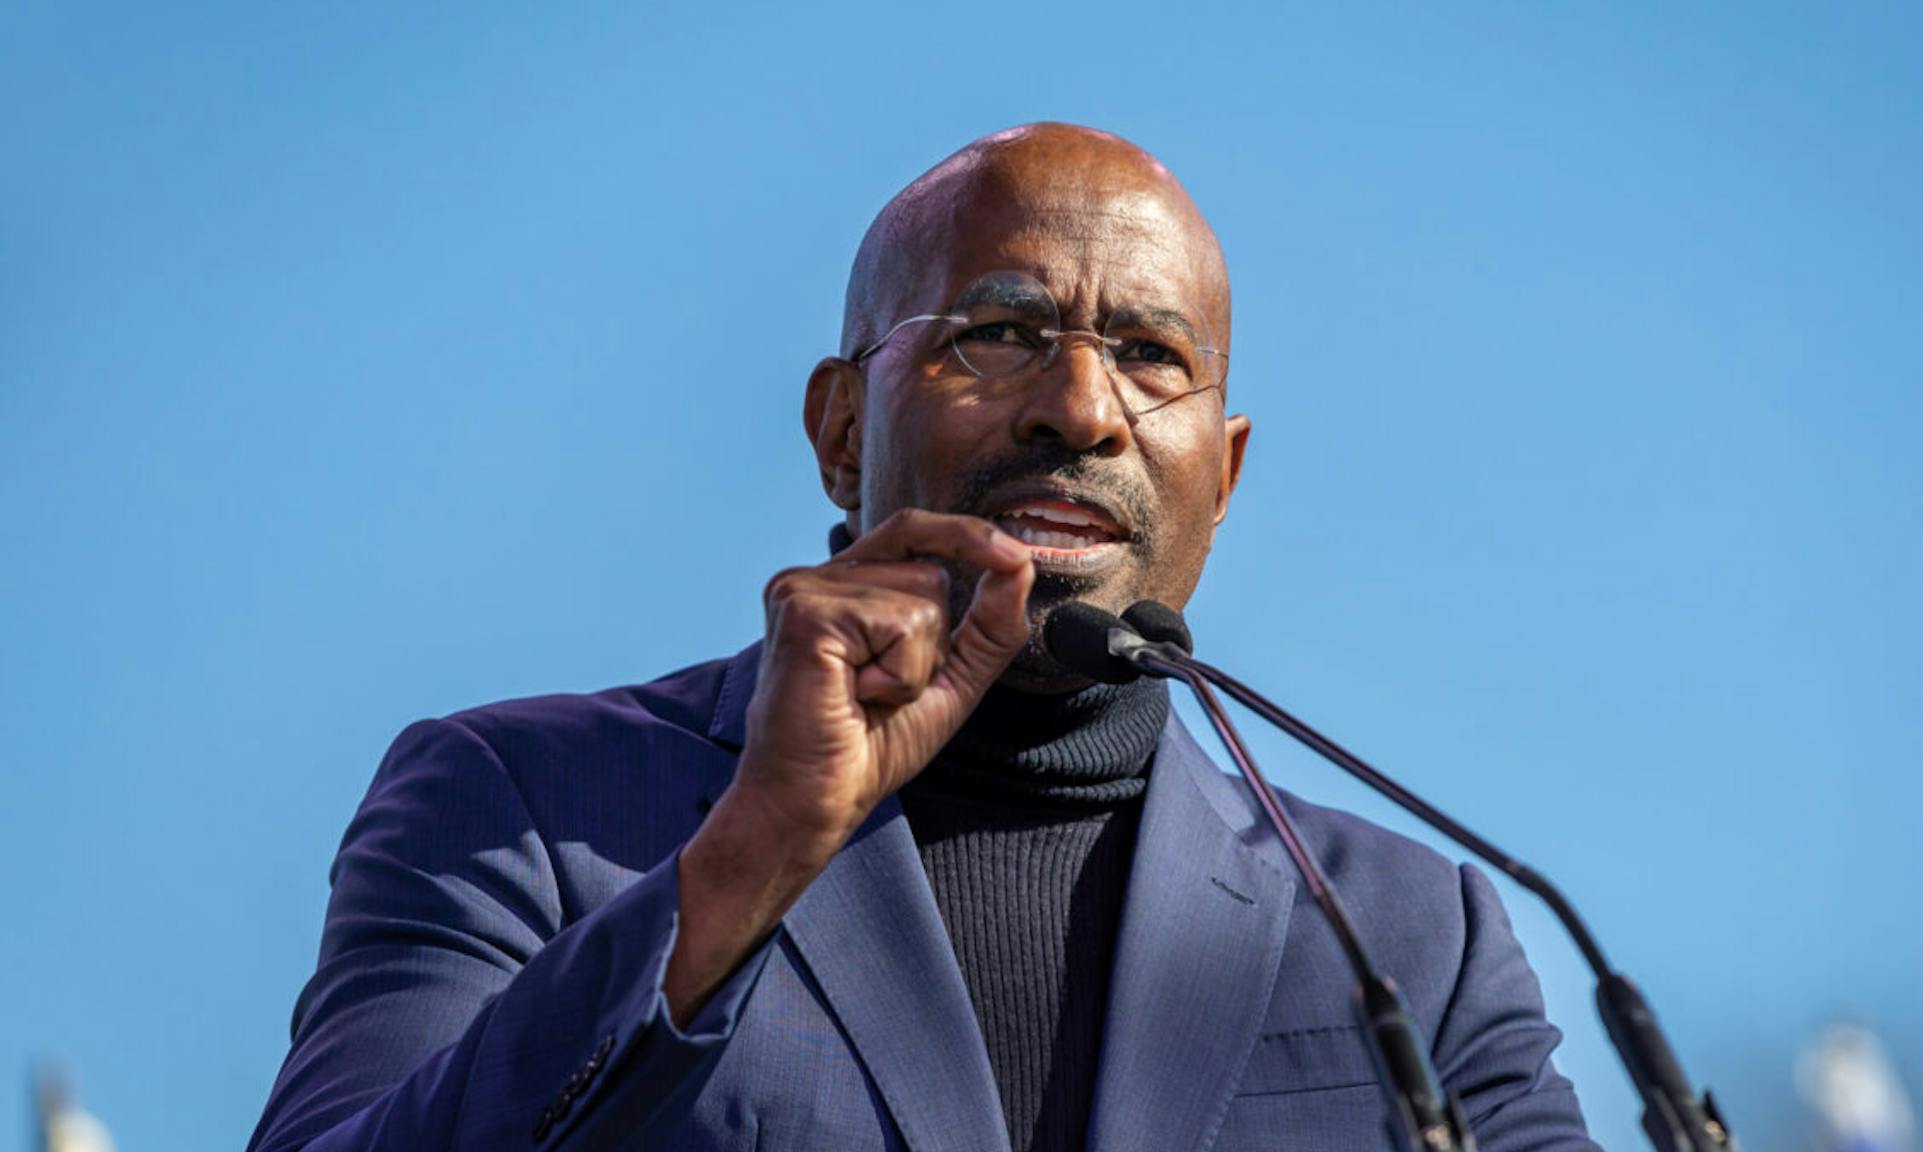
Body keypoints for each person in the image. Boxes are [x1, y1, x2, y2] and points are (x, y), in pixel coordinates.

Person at [247, 122, 1601, 1152]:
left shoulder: (1414, 932)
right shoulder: (520, 808)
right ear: (842, 433)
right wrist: (742, 863)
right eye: (1000, 332)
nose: (1081, 407)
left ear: (1224, 474)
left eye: (1151, 356)